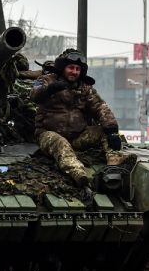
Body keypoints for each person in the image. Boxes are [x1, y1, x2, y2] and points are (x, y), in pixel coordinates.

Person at [31, 49, 127, 188]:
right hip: (48, 135)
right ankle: (80, 175)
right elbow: (34, 95)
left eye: (77, 69)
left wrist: (112, 130)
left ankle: (113, 165)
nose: (74, 72)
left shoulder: (85, 88)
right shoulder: (46, 80)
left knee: (104, 132)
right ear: (62, 67)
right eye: (71, 67)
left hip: (77, 138)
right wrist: (50, 89)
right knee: (60, 143)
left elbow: (100, 107)